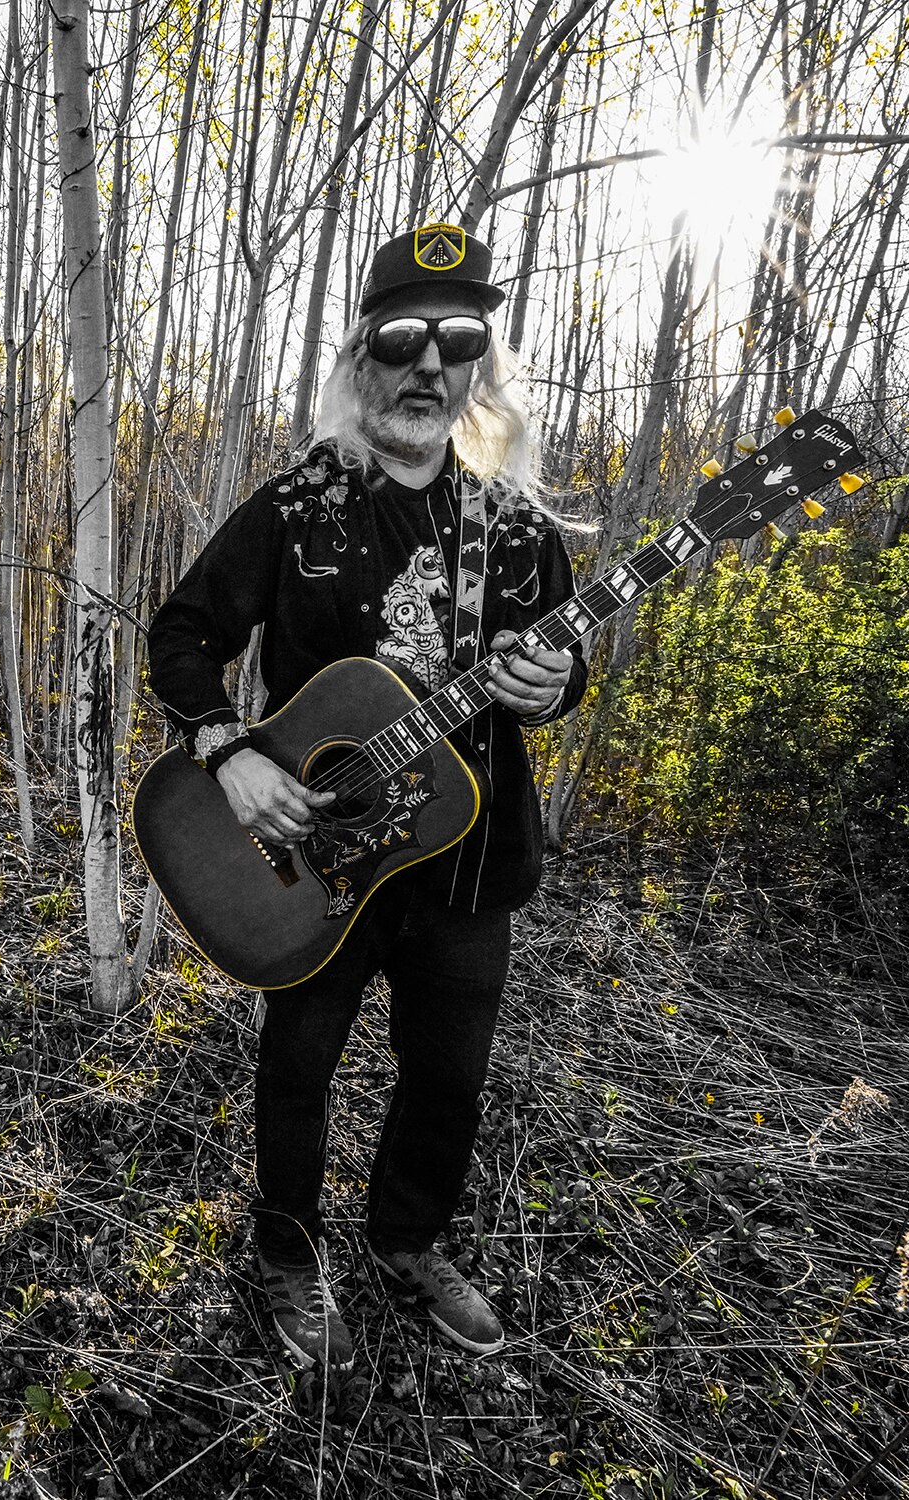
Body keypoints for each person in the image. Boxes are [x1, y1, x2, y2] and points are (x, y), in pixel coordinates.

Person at [144, 223, 587, 1371]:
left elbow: (557, 671)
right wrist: (230, 753)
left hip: (467, 860)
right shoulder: (298, 509)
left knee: (450, 1077)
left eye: (458, 341)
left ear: (482, 364)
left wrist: (554, 682)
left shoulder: (521, 531)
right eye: (403, 339)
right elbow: (184, 636)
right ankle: (288, 1259)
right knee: (300, 1069)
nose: (428, 367)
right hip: (318, 864)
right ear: (361, 359)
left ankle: (407, 1243)